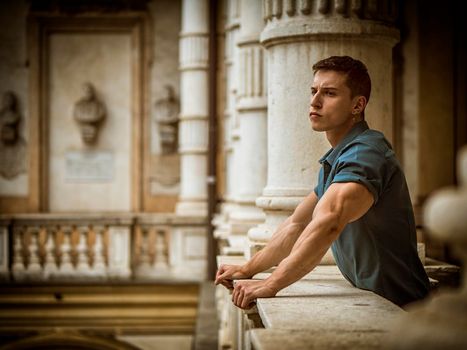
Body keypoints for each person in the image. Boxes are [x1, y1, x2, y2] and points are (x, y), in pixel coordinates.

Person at [215, 55, 430, 308]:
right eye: (313, 91)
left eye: (329, 93)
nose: (315, 101)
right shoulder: (339, 158)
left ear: (357, 105)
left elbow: (329, 222)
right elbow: (295, 224)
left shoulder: (365, 154)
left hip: (404, 307)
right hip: (380, 300)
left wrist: (272, 284)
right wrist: (247, 269)